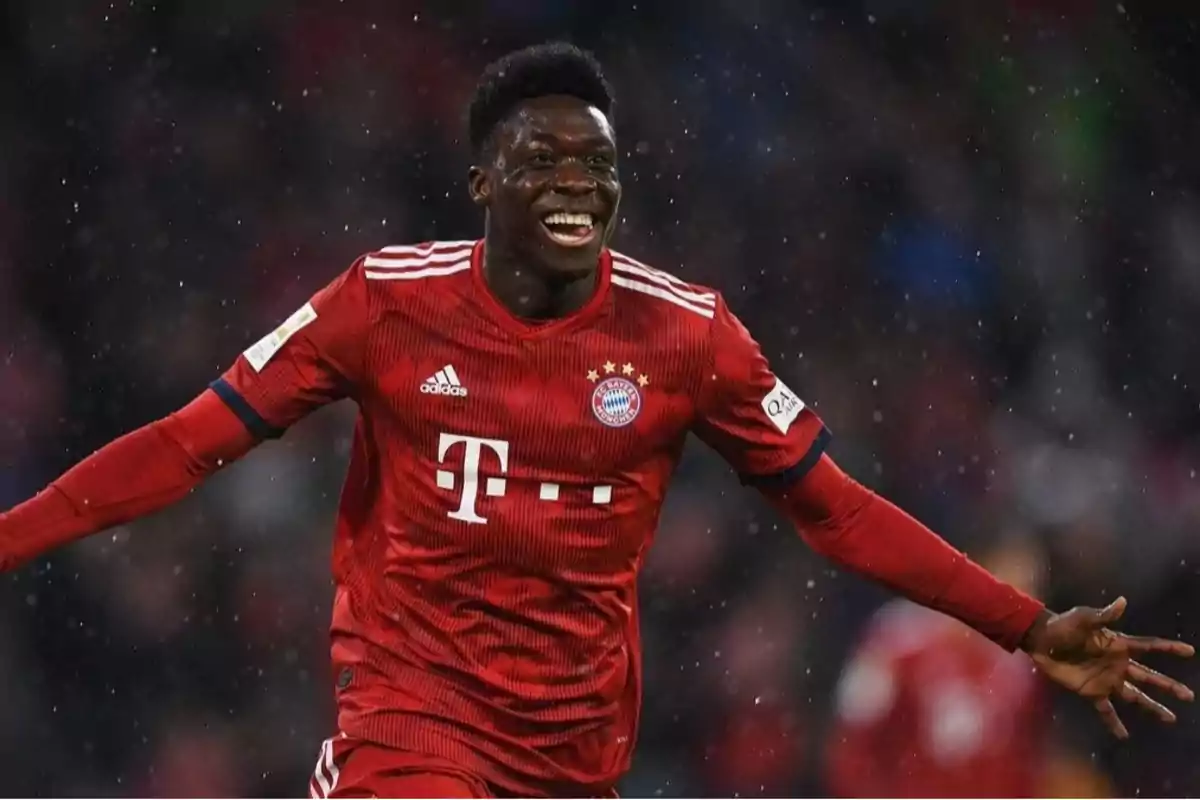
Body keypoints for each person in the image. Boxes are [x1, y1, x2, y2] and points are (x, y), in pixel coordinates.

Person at [0, 42, 1192, 799]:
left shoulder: (688, 336)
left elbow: (835, 511)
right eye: (542, 158)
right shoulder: (383, 303)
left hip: (573, 752)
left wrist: (1023, 625)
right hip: (410, 724)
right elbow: (184, 441)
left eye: (598, 162)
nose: (577, 180)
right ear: (480, 184)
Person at [825, 537, 1053, 797]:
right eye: (1015, 588)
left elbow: (1024, 766)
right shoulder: (898, 642)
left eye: (1032, 589)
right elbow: (853, 748)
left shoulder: (1020, 670)